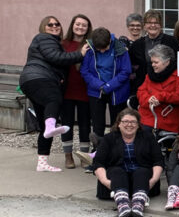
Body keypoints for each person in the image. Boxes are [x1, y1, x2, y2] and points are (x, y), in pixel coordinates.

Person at [19, 16, 85, 172]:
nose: (54, 26)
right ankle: (51, 126)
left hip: (34, 80)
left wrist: (61, 78)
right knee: (54, 99)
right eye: (50, 24)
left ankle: (42, 162)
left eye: (57, 24)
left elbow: (56, 64)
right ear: (44, 27)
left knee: (43, 123)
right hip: (39, 78)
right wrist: (80, 54)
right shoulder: (44, 38)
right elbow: (56, 58)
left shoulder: (53, 42)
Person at [92, 109, 164, 217]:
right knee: (117, 170)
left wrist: (153, 180)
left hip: (144, 180)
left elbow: (158, 161)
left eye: (133, 122)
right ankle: (122, 205)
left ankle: (138, 205)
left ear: (138, 125)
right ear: (119, 124)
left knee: (142, 171)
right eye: (125, 121)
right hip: (115, 180)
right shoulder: (109, 139)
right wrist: (106, 182)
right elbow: (98, 163)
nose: (129, 125)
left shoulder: (148, 137)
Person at [80, 28, 131, 142]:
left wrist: (109, 86)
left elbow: (126, 71)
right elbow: (85, 71)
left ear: (110, 41)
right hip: (96, 91)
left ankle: (115, 152)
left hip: (117, 92)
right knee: (97, 124)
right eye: (99, 49)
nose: (102, 51)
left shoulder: (120, 49)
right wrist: (100, 85)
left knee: (117, 124)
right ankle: (98, 152)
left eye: (105, 48)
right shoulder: (89, 49)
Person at [60, 14, 93, 169]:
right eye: (77, 24)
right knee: (66, 123)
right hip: (66, 89)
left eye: (84, 25)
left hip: (85, 89)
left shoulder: (90, 44)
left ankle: (84, 156)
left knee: (85, 124)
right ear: (72, 25)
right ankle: (68, 156)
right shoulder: (63, 43)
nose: (80, 27)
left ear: (88, 28)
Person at [136, 45, 179, 136]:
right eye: (152, 62)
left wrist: (161, 96)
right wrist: (149, 99)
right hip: (147, 115)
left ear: (167, 62)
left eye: (156, 62)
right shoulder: (150, 75)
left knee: (143, 134)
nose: (153, 65)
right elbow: (140, 92)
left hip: (168, 118)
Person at [128, 10, 179, 92]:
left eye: (156, 22)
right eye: (149, 22)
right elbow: (130, 66)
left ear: (160, 25)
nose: (153, 25)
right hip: (144, 89)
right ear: (144, 25)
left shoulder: (172, 42)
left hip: (167, 88)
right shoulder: (137, 45)